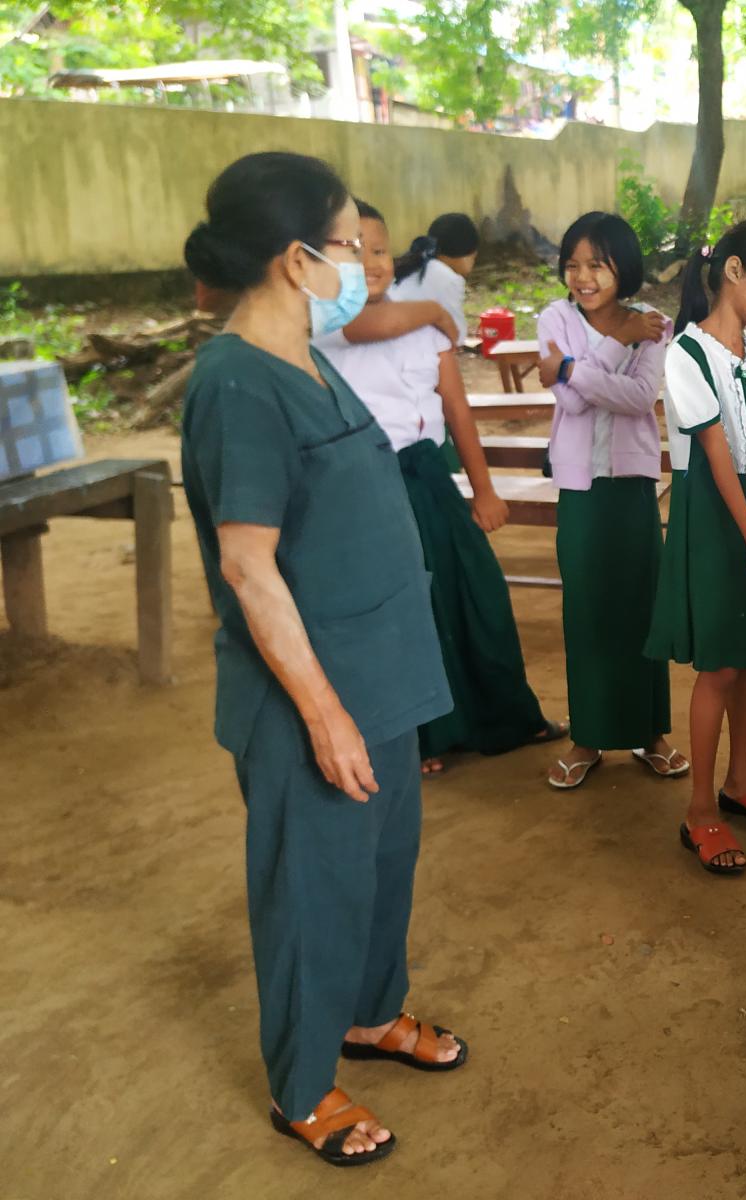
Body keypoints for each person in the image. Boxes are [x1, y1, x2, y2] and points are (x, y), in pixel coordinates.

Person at [180, 152, 467, 1168]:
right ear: (296, 259)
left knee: (382, 866)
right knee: (312, 887)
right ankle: (302, 1086)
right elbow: (248, 566)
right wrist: (324, 712)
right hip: (313, 695)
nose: (364, 263)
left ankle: (369, 1014)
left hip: (382, 673)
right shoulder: (237, 382)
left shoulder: (307, 355)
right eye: (349, 243)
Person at [314, 200, 566, 775]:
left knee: (478, 592)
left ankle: (507, 716)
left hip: (429, 475)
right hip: (371, 485)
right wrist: (431, 308)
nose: (371, 262)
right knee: (407, 606)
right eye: (355, 251)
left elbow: (456, 408)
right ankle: (424, 738)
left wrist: (484, 490)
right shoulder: (326, 322)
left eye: (380, 250)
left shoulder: (424, 329)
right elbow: (364, 325)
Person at [646, 220, 746, 875]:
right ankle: (700, 808)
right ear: (734, 271)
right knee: (718, 665)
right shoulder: (687, 353)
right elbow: (716, 456)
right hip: (715, 518)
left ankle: (741, 780)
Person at [535, 212, 687, 790]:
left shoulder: (654, 322)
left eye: (596, 264)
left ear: (623, 267)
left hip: (632, 485)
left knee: (640, 606)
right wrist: (616, 341)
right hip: (579, 488)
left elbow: (640, 397)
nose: (582, 276)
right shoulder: (554, 318)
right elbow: (573, 406)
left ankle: (651, 733)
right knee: (587, 612)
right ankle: (589, 737)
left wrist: (571, 368)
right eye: (572, 265)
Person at [391, 212, 479, 347]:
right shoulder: (448, 278)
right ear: (465, 255)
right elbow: (457, 334)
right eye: (474, 257)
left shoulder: (416, 264)